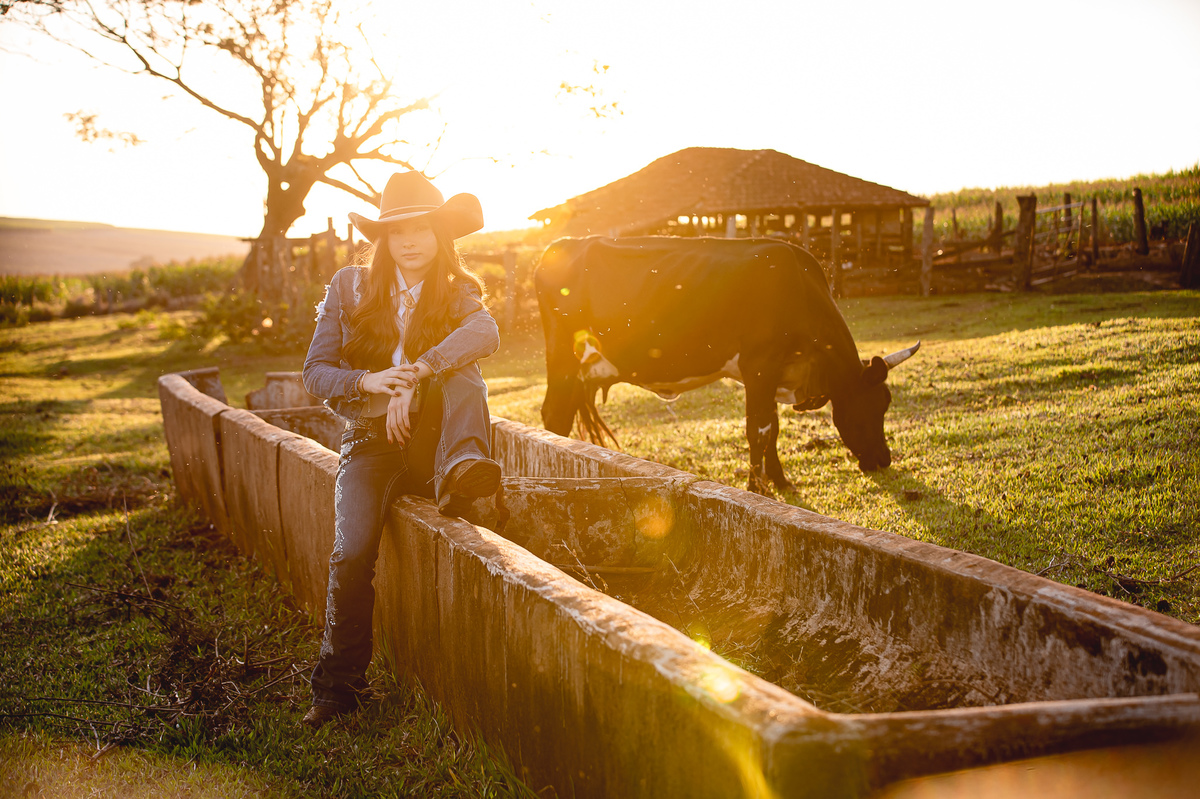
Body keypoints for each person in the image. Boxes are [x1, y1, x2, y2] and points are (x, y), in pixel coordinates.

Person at [299, 171, 503, 728]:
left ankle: (462, 466)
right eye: (397, 232)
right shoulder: (349, 287)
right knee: (351, 552)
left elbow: (486, 333)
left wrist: (416, 371)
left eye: (422, 229)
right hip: (370, 441)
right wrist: (369, 381)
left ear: (441, 236)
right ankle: (338, 689)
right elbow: (315, 372)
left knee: (463, 367)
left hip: (434, 438)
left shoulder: (456, 291)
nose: (410, 241)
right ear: (383, 239)